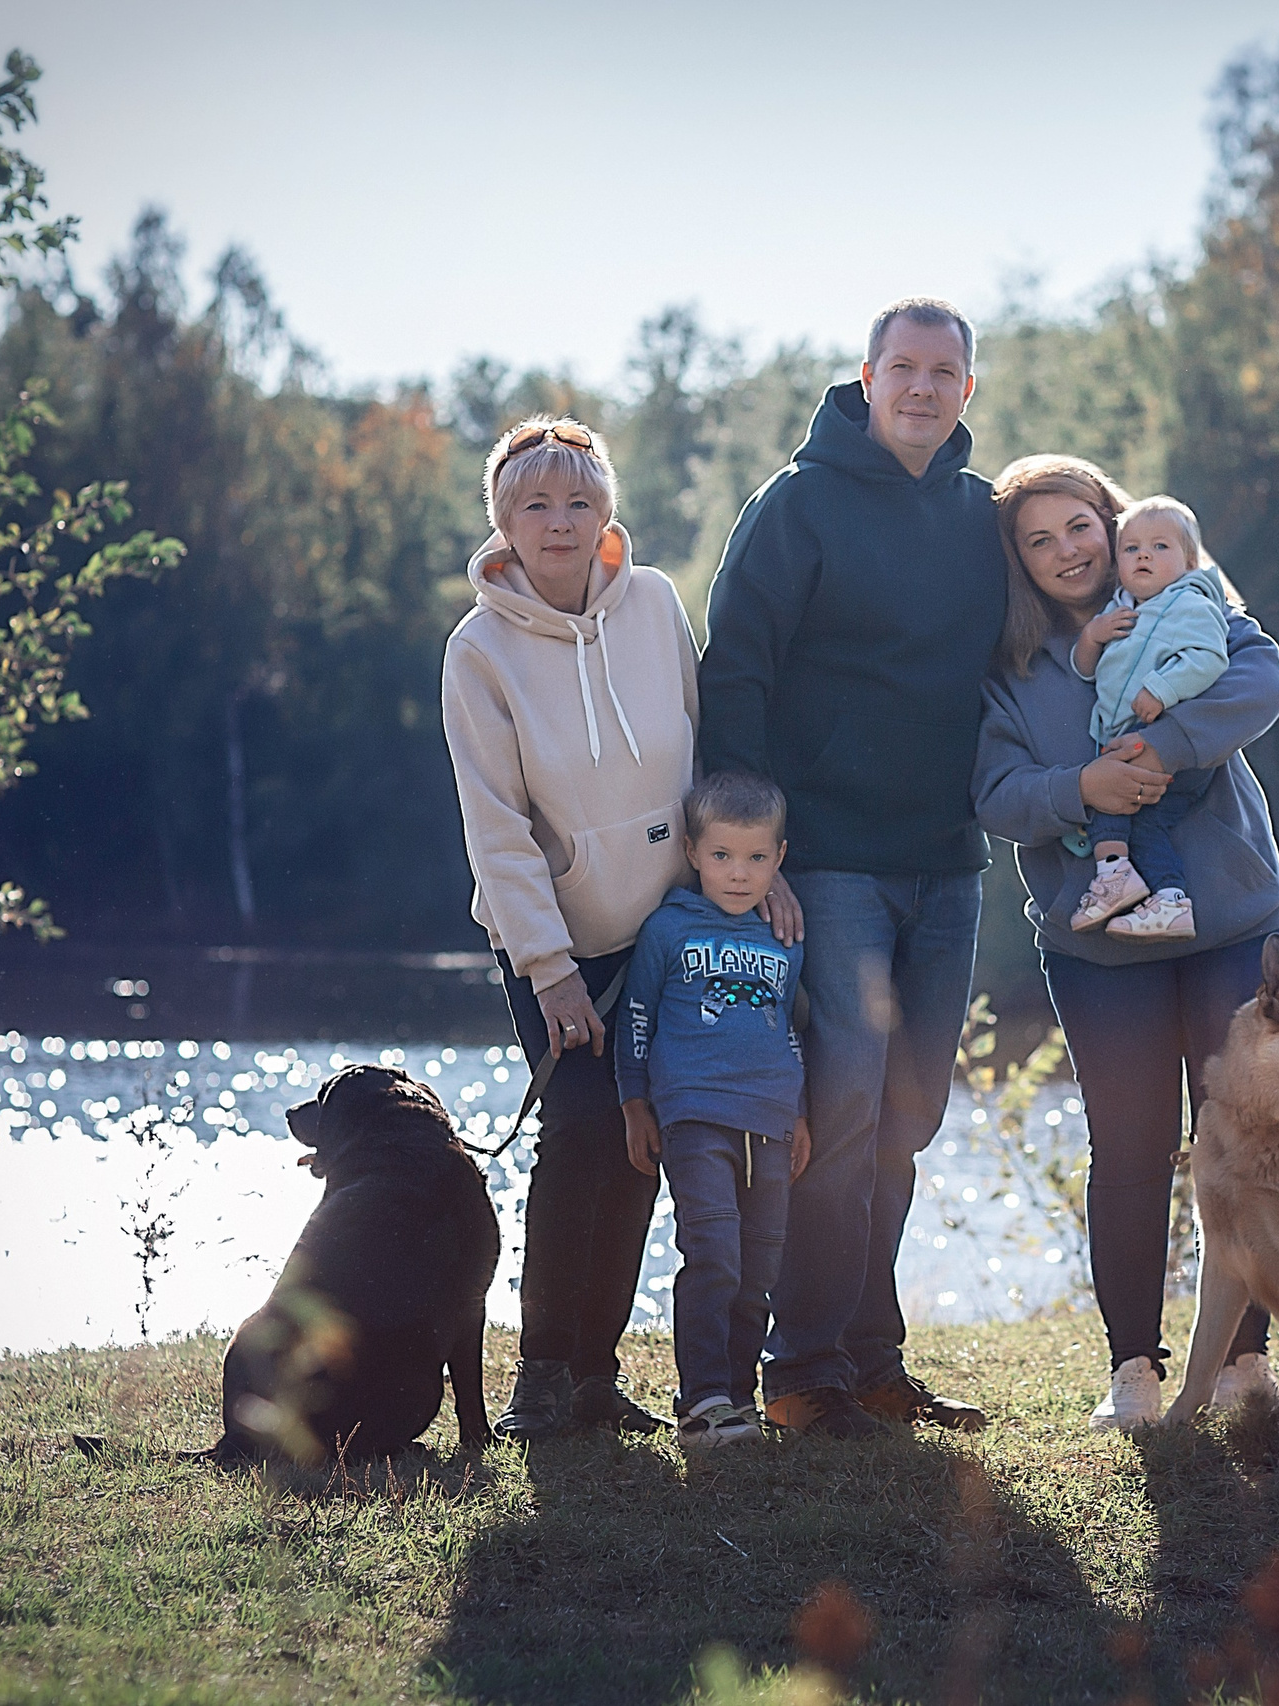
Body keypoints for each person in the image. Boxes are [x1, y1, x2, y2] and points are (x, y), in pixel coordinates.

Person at [442, 415, 799, 1442]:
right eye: (536, 504)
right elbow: (494, 825)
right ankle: (541, 1374)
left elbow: (700, 761)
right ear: (503, 524)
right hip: (557, 939)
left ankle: (597, 1373)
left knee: (650, 1138)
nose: (561, 521)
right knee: (586, 1128)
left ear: (607, 513)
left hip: (669, 935)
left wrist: (741, 881)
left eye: (579, 500)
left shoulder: (651, 604)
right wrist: (549, 969)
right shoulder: (478, 650)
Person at [696, 298, 1006, 1438]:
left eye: (944, 371)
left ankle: (874, 1358)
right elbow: (737, 676)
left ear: (967, 388)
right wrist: (757, 851)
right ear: (866, 378)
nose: (923, 388)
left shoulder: (984, 517)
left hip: (947, 862)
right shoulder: (797, 503)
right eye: (903, 368)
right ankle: (804, 1368)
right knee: (844, 1100)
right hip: (828, 863)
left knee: (909, 1113)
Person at [972, 454, 1279, 1432]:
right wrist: (1081, 789)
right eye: (1039, 539)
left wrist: (1165, 745)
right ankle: (1134, 1370)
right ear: (1018, 562)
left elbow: (1262, 679)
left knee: (1243, 1138)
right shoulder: (1013, 671)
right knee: (1128, 1150)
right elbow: (993, 793)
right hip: (1098, 948)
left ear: (1113, 526)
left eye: (1080, 526)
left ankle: (1242, 1360)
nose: (1066, 549)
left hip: (1230, 921)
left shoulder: (1189, 601)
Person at [617, 772, 813, 1450]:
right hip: (695, 1117)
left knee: (760, 1269)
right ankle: (701, 1403)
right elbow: (636, 1017)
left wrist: (801, 1114)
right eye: (723, 856)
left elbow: (786, 1028)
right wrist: (634, 1103)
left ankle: (737, 1400)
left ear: (779, 858)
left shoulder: (784, 938)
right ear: (694, 852)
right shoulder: (668, 928)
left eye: (757, 858)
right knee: (715, 1256)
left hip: (771, 1121)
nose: (739, 874)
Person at [1068, 493, 1235, 943]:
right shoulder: (1122, 608)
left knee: (1121, 805)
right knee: (1133, 815)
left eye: (1161, 547)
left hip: (1169, 740)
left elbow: (1209, 659)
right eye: (1131, 548)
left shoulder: (1190, 604)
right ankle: (1158, 893)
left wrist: (1160, 690)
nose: (1144, 555)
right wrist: (1091, 636)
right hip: (1124, 733)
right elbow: (1085, 671)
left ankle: (1130, 882)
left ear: (1189, 560)